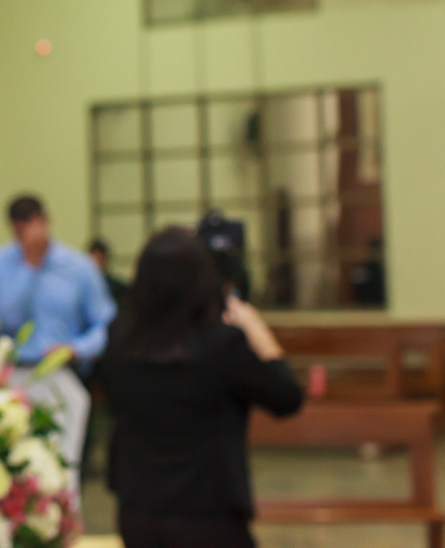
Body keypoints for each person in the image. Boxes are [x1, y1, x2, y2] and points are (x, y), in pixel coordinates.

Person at [102, 228, 303, 548]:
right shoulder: (220, 344)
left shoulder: (119, 340)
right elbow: (287, 398)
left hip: (138, 509)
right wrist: (257, 332)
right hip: (208, 512)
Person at [0, 195, 116, 373]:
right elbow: (10, 319)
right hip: (17, 368)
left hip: (66, 369)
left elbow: (100, 325)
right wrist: (30, 264)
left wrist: (75, 349)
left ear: (46, 220)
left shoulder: (80, 266)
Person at [87, 237, 130, 312]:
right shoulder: (82, 288)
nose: (96, 265)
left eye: (99, 260)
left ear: (105, 260)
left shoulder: (118, 288)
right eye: (93, 261)